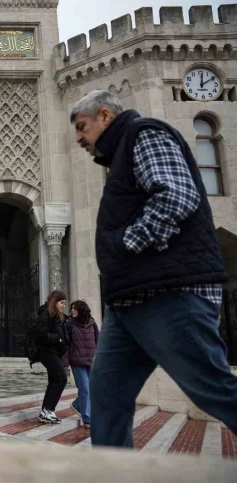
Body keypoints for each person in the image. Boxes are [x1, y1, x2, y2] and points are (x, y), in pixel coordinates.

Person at [71, 90, 237, 446]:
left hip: (170, 293)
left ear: (105, 116)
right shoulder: (121, 156)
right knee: (107, 396)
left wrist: (127, 244)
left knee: (212, 388)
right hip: (132, 299)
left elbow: (177, 195)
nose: (79, 138)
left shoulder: (144, 134)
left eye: (82, 127)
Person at [35, 290, 68, 424]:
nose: (63, 305)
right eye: (61, 302)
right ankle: (49, 409)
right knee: (61, 378)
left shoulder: (57, 316)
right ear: (55, 302)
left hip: (55, 352)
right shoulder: (45, 314)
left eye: (64, 303)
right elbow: (42, 335)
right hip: (47, 352)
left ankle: (45, 412)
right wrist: (58, 339)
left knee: (54, 380)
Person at [65, 300, 99, 429]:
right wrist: (65, 362)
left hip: (90, 361)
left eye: (75, 308)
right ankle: (87, 418)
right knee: (84, 388)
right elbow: (66, 345)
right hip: (77, 361)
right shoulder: (69, 324)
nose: (72, 310)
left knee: (91, 389)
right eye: (71, 308)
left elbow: (98, 339)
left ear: (82, 310)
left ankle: (77, 405)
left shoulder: (92, 323)